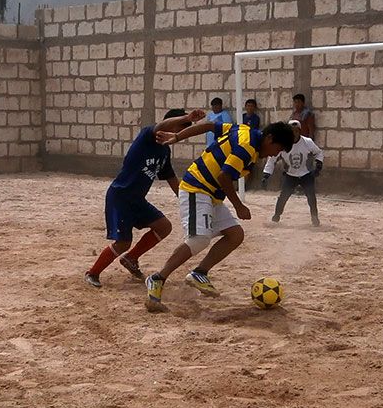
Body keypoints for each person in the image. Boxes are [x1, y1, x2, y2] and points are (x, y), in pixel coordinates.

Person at [144, 120, 295, 312]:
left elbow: (208, 126)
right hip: (196, 188)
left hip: (210, 195)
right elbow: (224, 176)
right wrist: (239, 206)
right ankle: (158, 278)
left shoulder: (244, 130)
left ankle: (199, 273)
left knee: (235, 235)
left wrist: (177, 137)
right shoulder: (246, 147)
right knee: (199, 240)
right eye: (278, 148)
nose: (276, 154)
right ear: (270, 138)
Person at [84, 108, 207, 288]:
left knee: (164, 227)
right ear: (168, 123)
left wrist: (187, 199)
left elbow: (171, 178)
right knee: (123, 242)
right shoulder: (147, 136)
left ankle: (131, 258)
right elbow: (161, 126)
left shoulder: (164, 152)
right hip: (121, 196)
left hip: (137, 200)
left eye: (182, 130)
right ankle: (93, 273)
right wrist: (188, 117)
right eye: (178, 127)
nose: (178, 133)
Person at [262, 119, 324, 226]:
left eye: (296, 131)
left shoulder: (307, 142)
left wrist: (318, 166)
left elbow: (318, 153)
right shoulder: (283, 145)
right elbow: (272, 160)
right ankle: (277, 215)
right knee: (283, 197)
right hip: (290, 175)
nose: (294, 133)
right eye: (291, 131)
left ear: (299, 131)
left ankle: (314, 216)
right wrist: (266, 175)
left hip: (306, 174)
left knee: (311, 196)